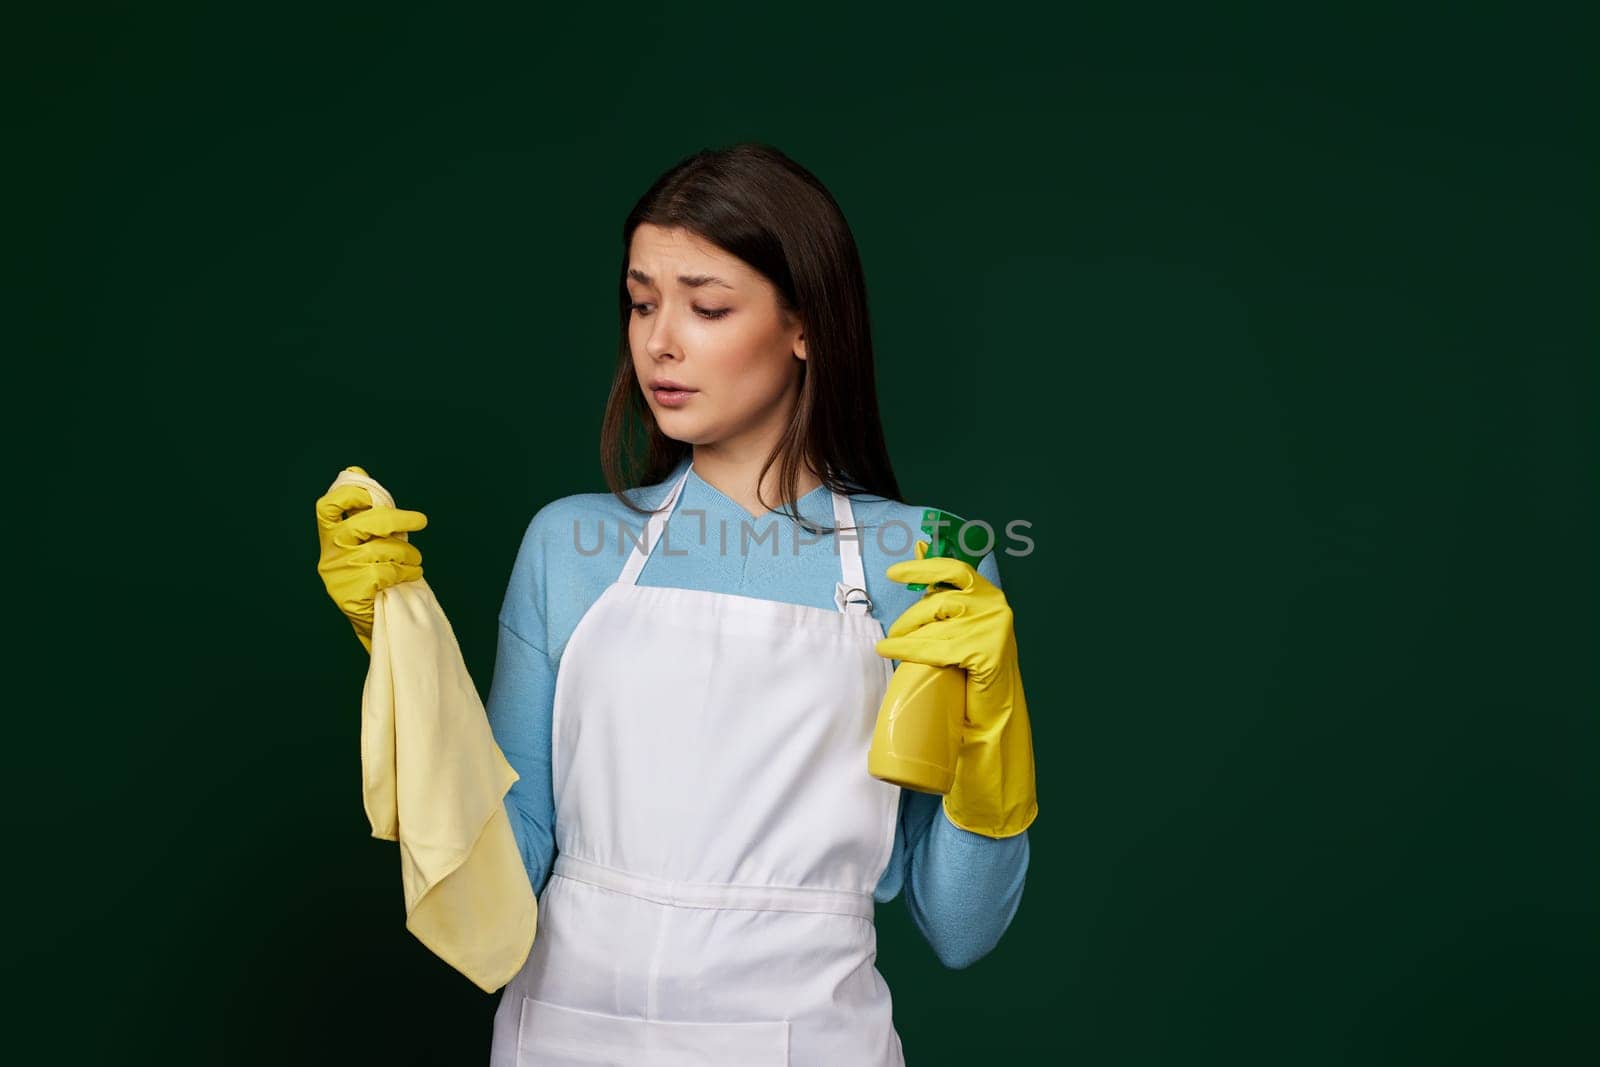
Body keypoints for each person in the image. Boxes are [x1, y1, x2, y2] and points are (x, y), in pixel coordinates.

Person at [317, 142, 1037, 1066]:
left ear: (806, 323)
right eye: (642, 300)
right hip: (563, 1040)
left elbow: (961, 929)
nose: (660, 340)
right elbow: (507, 869)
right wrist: (400, 651)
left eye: (707, 306)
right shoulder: (572, 547)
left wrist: (992, 742)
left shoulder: (923, 563)